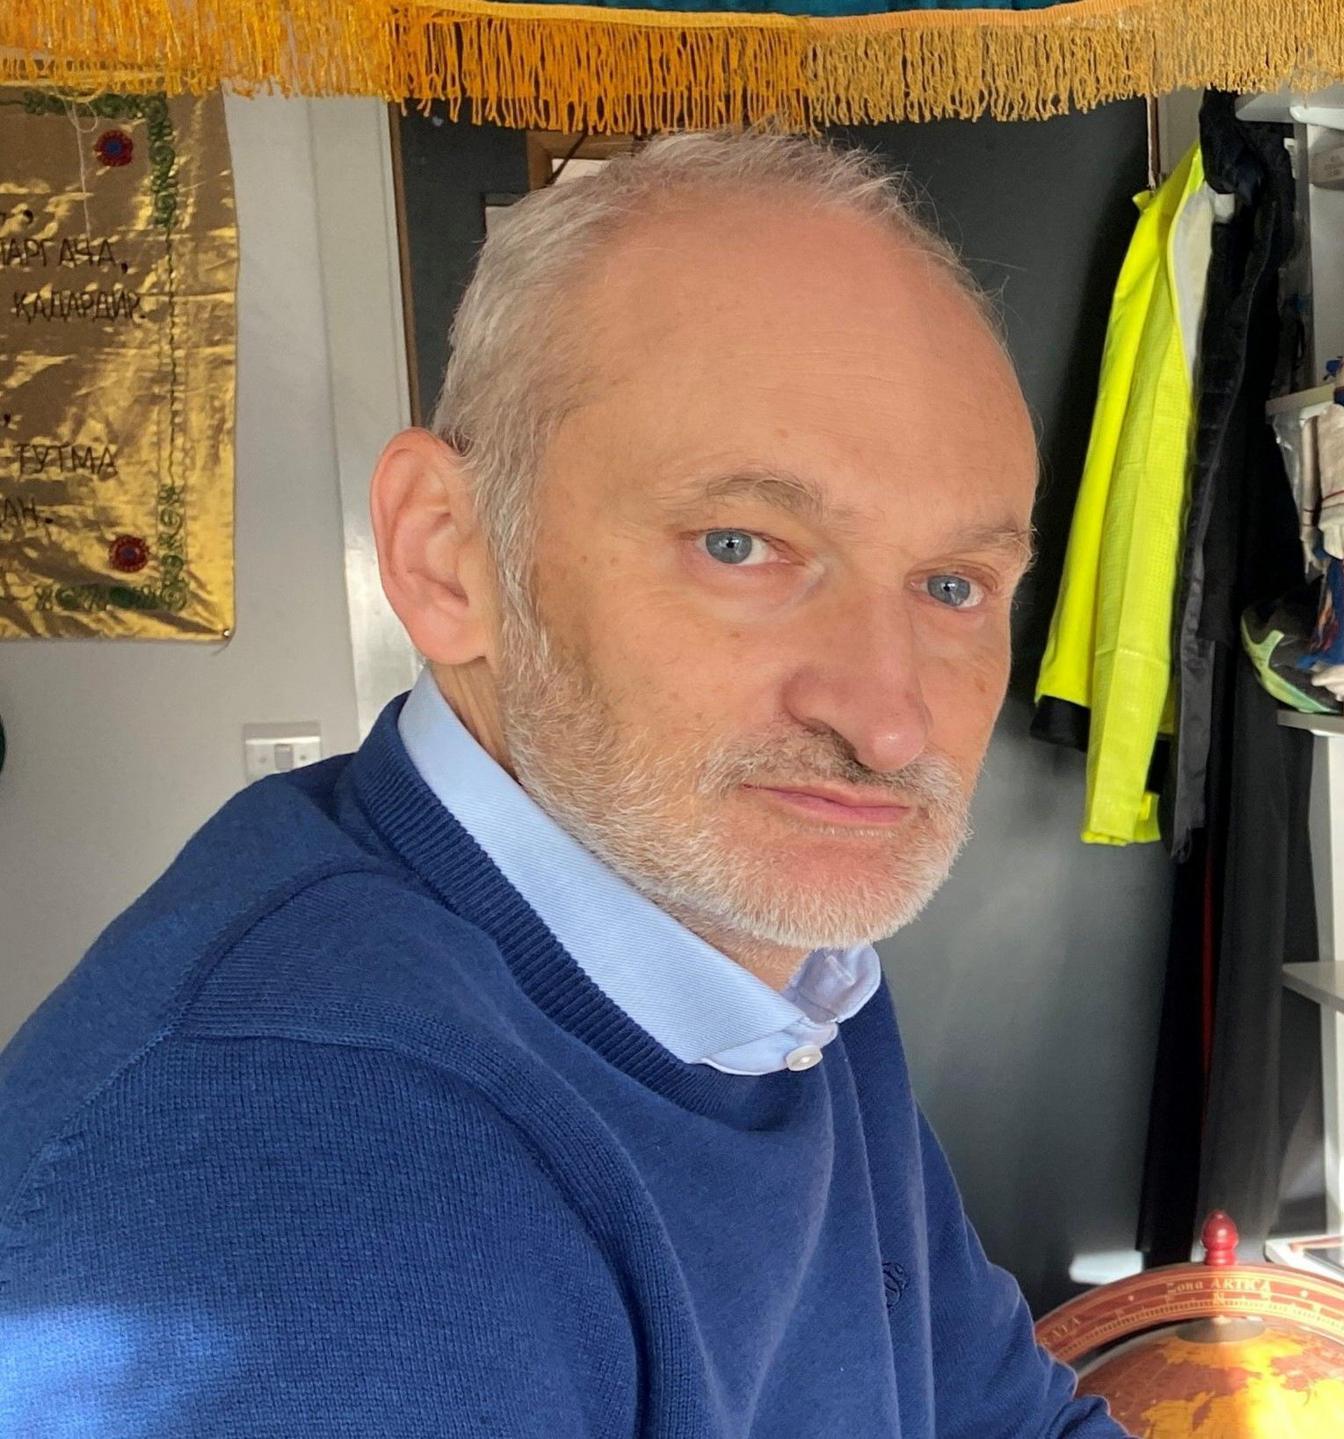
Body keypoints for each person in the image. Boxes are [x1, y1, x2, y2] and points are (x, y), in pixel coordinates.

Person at [0, 133, 1126, 1438]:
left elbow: (1007, 1420)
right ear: (448, 556)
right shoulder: (294, 1183)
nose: (888, 722)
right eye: (741, 545)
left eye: (953, 586)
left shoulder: (771, 972)